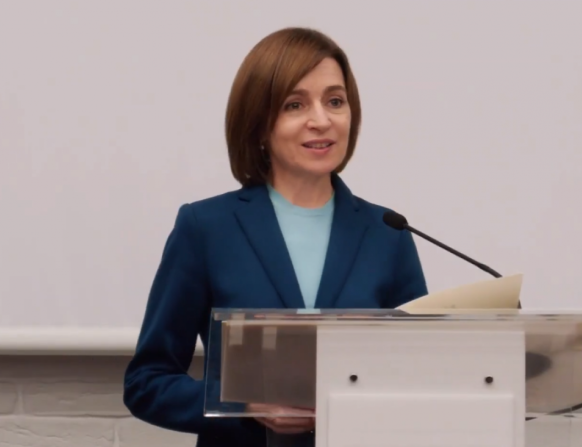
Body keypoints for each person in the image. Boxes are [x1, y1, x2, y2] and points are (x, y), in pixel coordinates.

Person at [123, 26, 428, 447]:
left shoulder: (387, 233)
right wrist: (244, 405)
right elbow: (147, 382)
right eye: (294, 104)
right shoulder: (206, 228)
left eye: (335, 101)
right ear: (259, 124)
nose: (321, 120)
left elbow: (418, 378)